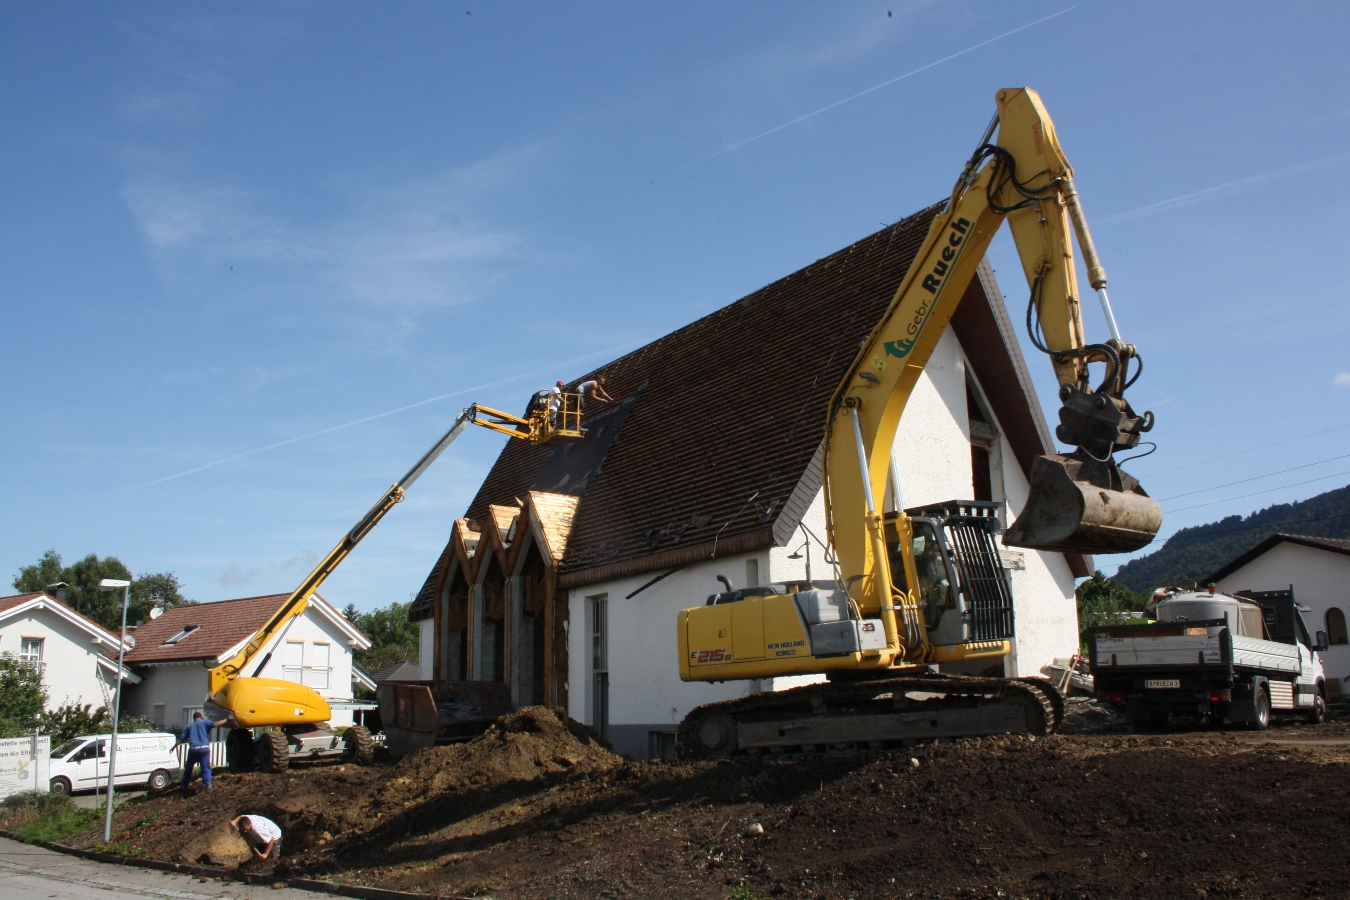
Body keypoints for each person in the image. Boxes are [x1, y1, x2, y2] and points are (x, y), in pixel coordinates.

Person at [176, 711, 228, 790]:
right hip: (204, 749)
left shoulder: (190, 726)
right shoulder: (205, 722)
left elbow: (181, 738)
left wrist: (174, 746)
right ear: (201, 717)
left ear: (194, 719)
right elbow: (216, 724)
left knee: (188, 767)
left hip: (193, 750)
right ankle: (207, 785)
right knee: (205, 768)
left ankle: (185, 785)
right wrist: (226, 720)